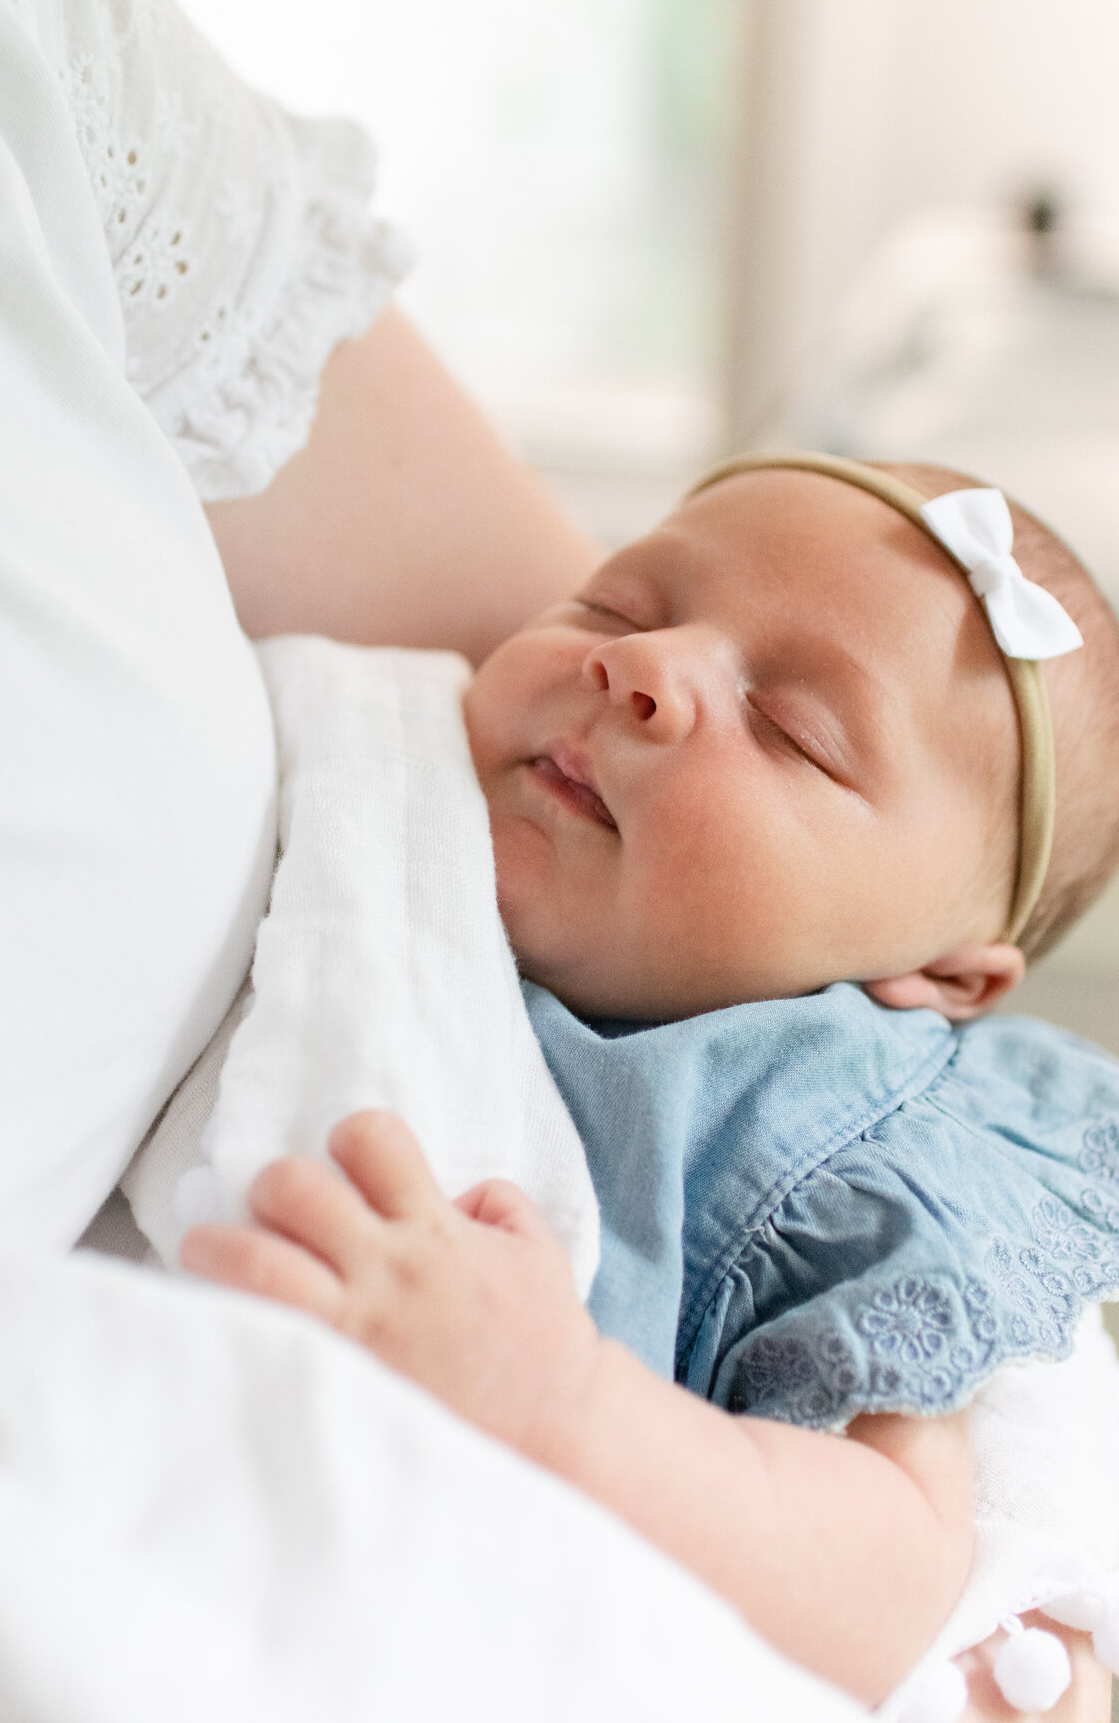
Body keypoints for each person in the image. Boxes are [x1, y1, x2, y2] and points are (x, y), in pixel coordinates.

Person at [182, 453, 1119, 1707]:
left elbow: (889, 1572)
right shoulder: (378, 790)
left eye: (793, 730)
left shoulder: (841, 1131)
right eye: (615, 610)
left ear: (941, 975)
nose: (649, 669)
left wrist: (557, 1394)